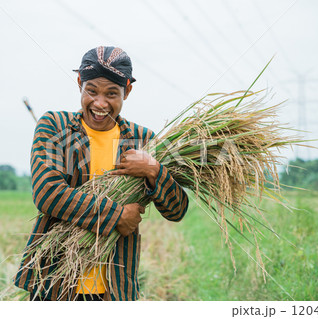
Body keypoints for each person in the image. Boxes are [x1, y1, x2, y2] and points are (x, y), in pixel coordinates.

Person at [14, 46, 189, 301]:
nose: (99, 103)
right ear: (79, 84)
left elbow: (177, 210)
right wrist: (118, 216)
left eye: (111, 93)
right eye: (91, 91)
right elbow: (48, 194)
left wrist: (153, 169)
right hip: (55, 283)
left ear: (127, 90)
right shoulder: (55, 126)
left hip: (113, 290)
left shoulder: (143, 141)